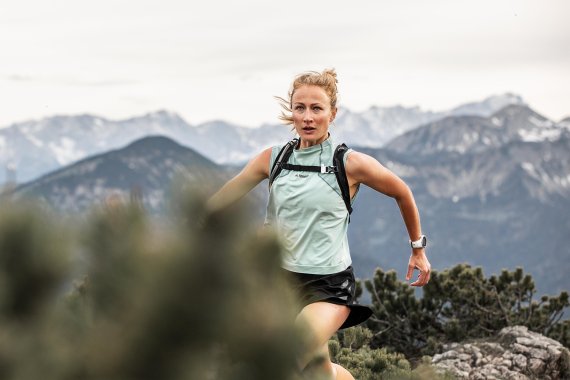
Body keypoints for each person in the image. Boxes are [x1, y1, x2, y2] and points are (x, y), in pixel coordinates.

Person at [207, 69, 431, 380]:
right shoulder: (273, 159)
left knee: (293, 351)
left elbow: (402, 192)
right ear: (292, 112)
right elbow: (219, 202)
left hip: (327, 285)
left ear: (332, 113)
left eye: (317, 108)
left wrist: (417, 249)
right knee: (314, 368)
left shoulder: (349, 163)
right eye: (300, 108)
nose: (308, 117)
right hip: (277, 282)